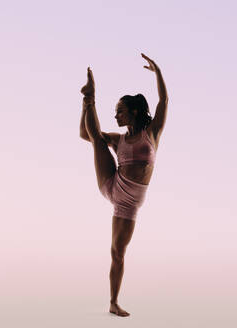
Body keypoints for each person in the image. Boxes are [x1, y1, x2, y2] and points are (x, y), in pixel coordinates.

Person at [80, 53, 168, 317]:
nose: (116, 115)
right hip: (113, 186)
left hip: (129, 203)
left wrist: (158, 72)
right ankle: (90, 96)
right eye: (115, 111)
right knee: (97, 139)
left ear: (134, 112)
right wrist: (86, 106)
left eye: (119, 111)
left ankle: (113, 303)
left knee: (118, 253)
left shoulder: (152, 132)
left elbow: (164, 101)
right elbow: (86, 133)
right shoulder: (118, 140)